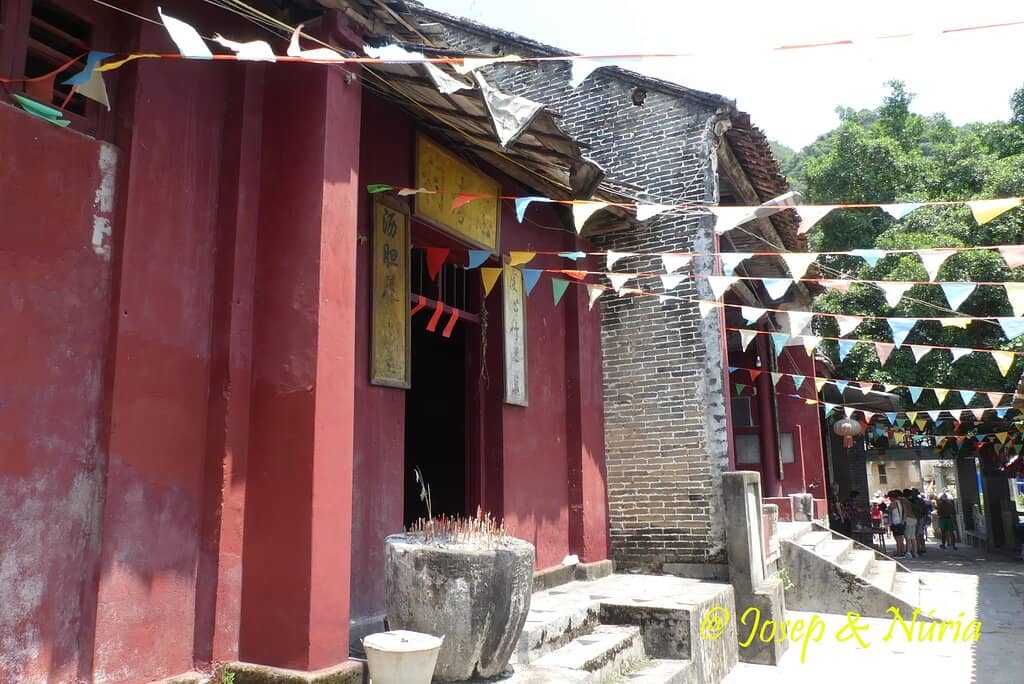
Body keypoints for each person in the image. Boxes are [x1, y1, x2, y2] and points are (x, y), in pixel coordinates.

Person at [887, 489, 907, 558]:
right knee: (900, 539)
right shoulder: (900, 502)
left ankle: (899, 553)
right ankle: (901, 552)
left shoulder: (894, 503)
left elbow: (889, 510)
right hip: (900, 522)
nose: (889, 499)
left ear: (892, 497)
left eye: (890, 497)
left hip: (896, 522)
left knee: (898, 539)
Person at [901, 488, 919, 558]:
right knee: (913, 537)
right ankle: (915, 552)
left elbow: (905, 511)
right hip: (914, 519)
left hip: (908, 519)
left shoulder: (904, 501)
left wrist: (903, 520)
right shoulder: (912, 500)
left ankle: (908, 552)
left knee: (908, 537)